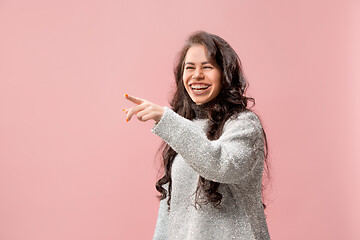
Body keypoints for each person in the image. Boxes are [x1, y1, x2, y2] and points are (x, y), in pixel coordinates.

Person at [123, 31, 271, 240]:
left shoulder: (244, 125)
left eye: (207, 67)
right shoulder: (183, 127)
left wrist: (167, 120)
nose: (197, 75)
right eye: (190, 68)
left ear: (225, 74)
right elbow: (169, 217)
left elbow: (220, 165)